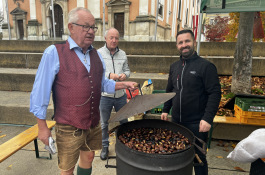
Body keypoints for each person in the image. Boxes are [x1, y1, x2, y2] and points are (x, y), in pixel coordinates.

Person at [30, 7, 137, 175]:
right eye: (85, 26)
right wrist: (42, 126)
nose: (90, 31)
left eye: (93, 27)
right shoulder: (54, 52)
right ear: (71, 27)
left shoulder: (97, 55)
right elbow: (39, 91)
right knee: (67, 169)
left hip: (92, 121)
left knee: (88, 158)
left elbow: (102, 84)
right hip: (68, 124)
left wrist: (124, 85)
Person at [161, 29, 221, 175]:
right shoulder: (174, 66)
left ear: (194, 42)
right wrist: (165, 109)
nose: (184, 45)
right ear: (177, 46)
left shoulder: (206, 66)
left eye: (187, 41)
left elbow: (215, 93)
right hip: (177, 122)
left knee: (198, 159)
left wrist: (207, 119)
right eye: (180, 42)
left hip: (197, 124)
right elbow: (170, 90)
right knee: (177, 157)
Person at [97, 28, 130, 160]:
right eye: (111, 37)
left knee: (124, 122)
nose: (114, 40)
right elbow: (96, 72)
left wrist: (124, 75)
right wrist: (109, 75)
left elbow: (127, 70)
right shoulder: (98, 53)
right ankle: (105, 146)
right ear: (105, 38)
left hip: (121, 95)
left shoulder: (123, 54)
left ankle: (124, 145)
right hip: (105, 96)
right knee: (104, 123)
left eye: (116, 38)